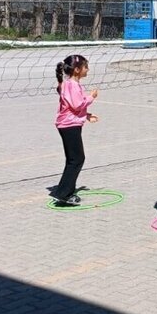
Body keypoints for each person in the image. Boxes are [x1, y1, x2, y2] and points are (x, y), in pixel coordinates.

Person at [53, 55, 99, 206]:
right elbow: (78, 104)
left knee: (73, 159)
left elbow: (70, 107)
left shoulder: (68, 84)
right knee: (77, 159)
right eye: (86, 67)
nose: (88, 69)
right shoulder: (72, 85)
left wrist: (86, 115)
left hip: (69, 124)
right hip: (69, 126)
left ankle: (66, 191)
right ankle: (63, 193)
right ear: (77, 70)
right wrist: (91, 97)